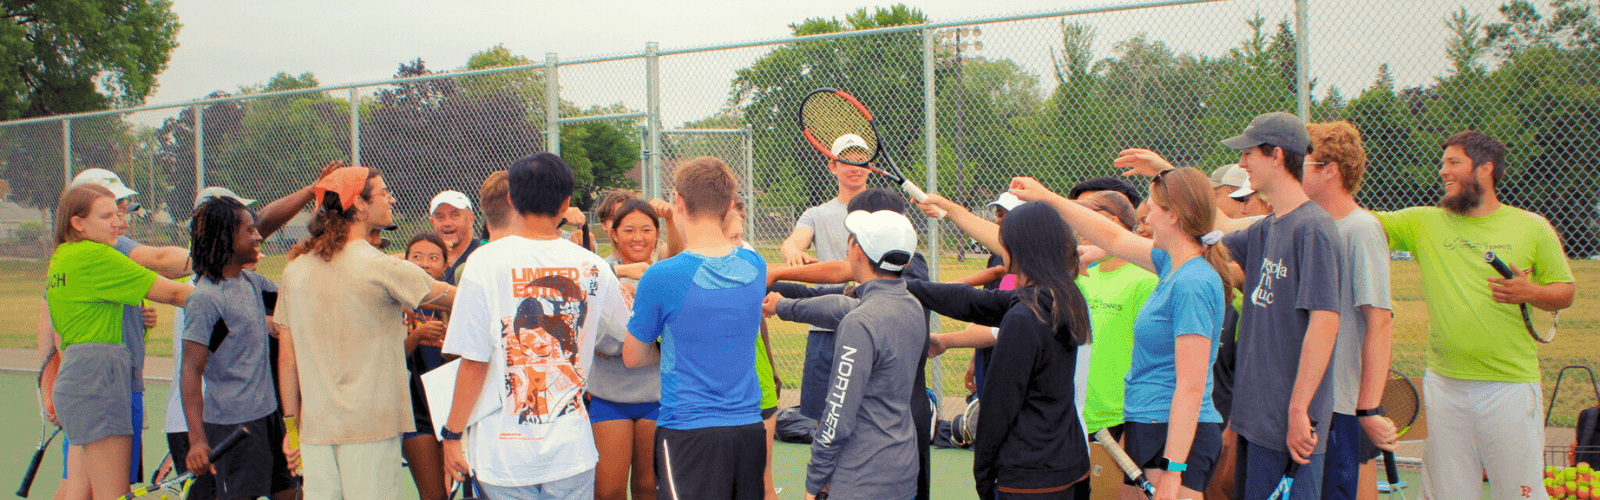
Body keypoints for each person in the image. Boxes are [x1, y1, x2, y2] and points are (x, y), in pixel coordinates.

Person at [1014, 167, 1236, 500]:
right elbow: (1113, 237)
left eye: (1152, 207)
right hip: (1149, 424)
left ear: (1173, 216)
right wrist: (1047, 197)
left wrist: (1174, 471)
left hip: (1173, 437)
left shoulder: (1193, 282)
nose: (1144, 216)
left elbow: (1190, 386)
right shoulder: (1171, 264)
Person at [1376, 131, 1575, 499]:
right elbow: (1361, 224)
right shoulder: (1424, 222)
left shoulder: (1531, 226)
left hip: (1510, 387)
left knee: (1520, 492)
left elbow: (1565, 292)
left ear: (1484, 169)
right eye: (1443, 162)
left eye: (1454, 163)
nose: (1443, 171)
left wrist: (1530, 292)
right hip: (1444, 385)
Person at [437, 152, 629, 499]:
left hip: (504, 458)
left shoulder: (483, 262)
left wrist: (452, 434)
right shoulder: (593, 266)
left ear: (512, 199)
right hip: (572, 454)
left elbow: (474, 360)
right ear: (567, 202)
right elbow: (630, 333)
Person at [275, 165, 456, 499]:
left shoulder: (294, 270)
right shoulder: (383, 266)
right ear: (358, 204)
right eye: (384, 192)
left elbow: (287, 359)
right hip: (372, 427)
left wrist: (291, 428)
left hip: (315, 430)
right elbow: (456, 300)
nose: (390, 198)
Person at [912, 201, 1096, 499]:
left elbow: (999, 407)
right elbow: (975, 302)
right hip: (1069, 464)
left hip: (1029, 476)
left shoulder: (1024, 318)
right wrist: (909, 287)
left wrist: (983, 477)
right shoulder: (1063, 296)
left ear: (1020, 249)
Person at [623, 156, 767, 500]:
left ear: (680, 202)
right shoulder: (755, 264)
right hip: (749, 429)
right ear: (730, 205)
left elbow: (632, 356)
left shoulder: (661, 276)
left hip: (689, 431)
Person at [1215, 112, 1340, 498]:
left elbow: (1325, 321)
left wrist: (1299, 409)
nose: (1242, 163)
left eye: (1249, 153)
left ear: (1277, 156)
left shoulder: (1313, 227)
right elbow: (1202, 238)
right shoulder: (1267, 227)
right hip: (1256, 419)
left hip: (1288, 425)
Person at [762, 210, 925, 500]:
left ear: (858, 252)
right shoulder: (909, 305)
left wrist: (814, 483)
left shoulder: (861, 322)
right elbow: (840, 307)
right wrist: (784, 306)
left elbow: (837, 416)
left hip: (860, 478)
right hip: (902, 469)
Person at [45, 183, 192, 499]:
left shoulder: (62, 257)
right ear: (78, 223)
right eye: (106, 215)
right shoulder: (96, 256)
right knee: (114, 493)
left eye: (118, 214)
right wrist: (239, 299)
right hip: (99, 375)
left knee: (78, 486)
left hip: (76, 376)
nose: (118, 222)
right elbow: (176, 293)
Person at [1292, 121, 1398, 500]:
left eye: (1303, 163)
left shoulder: (1361, 229)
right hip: (1308, 400)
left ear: (1330, 170)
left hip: (1339, 405)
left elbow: (1379, 322)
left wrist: (1367, 409)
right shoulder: (1306, 224)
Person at [178, 196, 296, 500]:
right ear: (224, 238)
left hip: (268, 418)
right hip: (233, 427)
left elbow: (300, 300)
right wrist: (197, 441)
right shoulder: (206, 299)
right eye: (249, 230)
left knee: (290, 493)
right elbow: (191, 371)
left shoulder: (252, 282)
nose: (258, 236)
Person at [779, 134, 872, 429]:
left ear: (870, 165)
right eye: (845, 159)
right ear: (832, 166)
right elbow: (794, 242)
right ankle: (827, 477)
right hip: (826, 328)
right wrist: (794, 252)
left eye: (860, 158)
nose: (854, 166)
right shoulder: (816, 214)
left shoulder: (883, 209)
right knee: (824, 424)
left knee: (869, 421)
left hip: (872, 323)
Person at [590, 198, 664, 500]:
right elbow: (588, 332)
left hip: (656, 396)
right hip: (610, 395)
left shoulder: (666, 273)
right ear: (614, 234)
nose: (638, 237)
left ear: (658, 235)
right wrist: (621, 276)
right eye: (629, 229)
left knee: (649, 487)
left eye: (647, 229)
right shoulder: (598, 273)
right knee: (608, 490)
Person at [402, 231, 451, 500]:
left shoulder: (450, 303)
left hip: (449, 410)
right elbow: (390, 358)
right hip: (414, 411)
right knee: (434, 494)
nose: (424, 263)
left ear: (445, 265)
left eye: (433, 258)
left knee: (451, 489)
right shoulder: (397, 304)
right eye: (416, 257)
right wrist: (417, 336)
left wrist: (451, 351)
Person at [429, 190, 481, 284]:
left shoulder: (482, 252)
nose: (447, 223)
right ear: (432, 222)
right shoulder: (427, 261)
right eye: (440, 217)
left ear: (470, 219)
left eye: (454, 215)